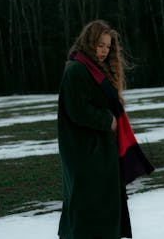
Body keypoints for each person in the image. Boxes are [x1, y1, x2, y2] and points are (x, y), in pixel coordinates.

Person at [57, 20, 154, 239]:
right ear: (89, 42)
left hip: (99, 151)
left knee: (102, 207)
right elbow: (77, 109)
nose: (104, 51)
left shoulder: (93, 70)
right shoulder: (77, 70)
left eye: (108, 46)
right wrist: (107, 119)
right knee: (90, 208)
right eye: (100, 45)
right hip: (86, 154)